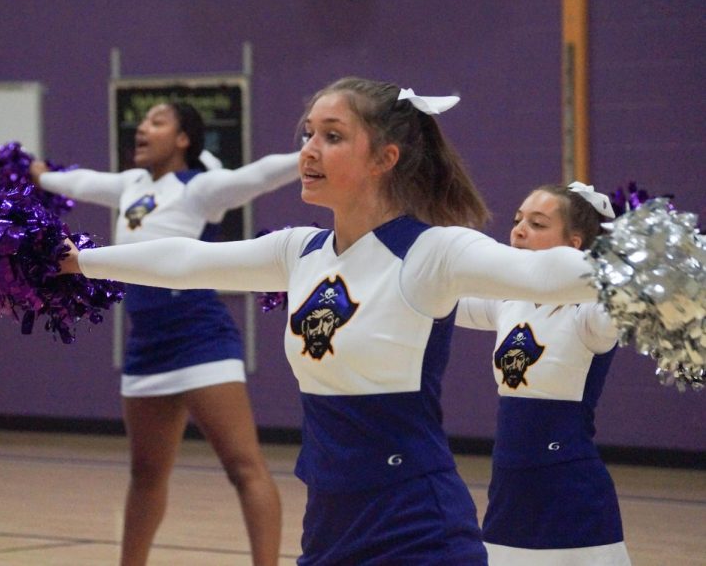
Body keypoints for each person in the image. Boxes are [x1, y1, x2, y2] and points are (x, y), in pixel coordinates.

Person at [55, 77, 603, 564]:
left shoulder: (433, 251)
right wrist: (79, 260)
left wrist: (636, 269)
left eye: (332, 137)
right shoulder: (301, 251)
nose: (309, 151)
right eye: (307, 134)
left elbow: (545, 273)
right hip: (328, 525)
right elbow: (186, 259)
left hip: (415, 525)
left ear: (384, 158)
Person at [30, 101, 299, 566]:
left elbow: (257, 175)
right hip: (146, 345)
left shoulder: (200, 189)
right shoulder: (130, 185)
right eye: (143, 120)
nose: (142, 127)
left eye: (157, 121)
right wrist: (39, 175)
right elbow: (80, 182)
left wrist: (309, 154)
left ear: (183, 140)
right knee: (146, 473)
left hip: (200, 337)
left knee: (243, 466)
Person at [457, 182, 631, 565]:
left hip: (570, 494)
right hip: (510, 491)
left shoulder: (590, 313)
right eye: (519, 220)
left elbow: (620, 301)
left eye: (537, 224)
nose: (518, 230)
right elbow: (438, 297)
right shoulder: (508, 301)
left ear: (574, 245)